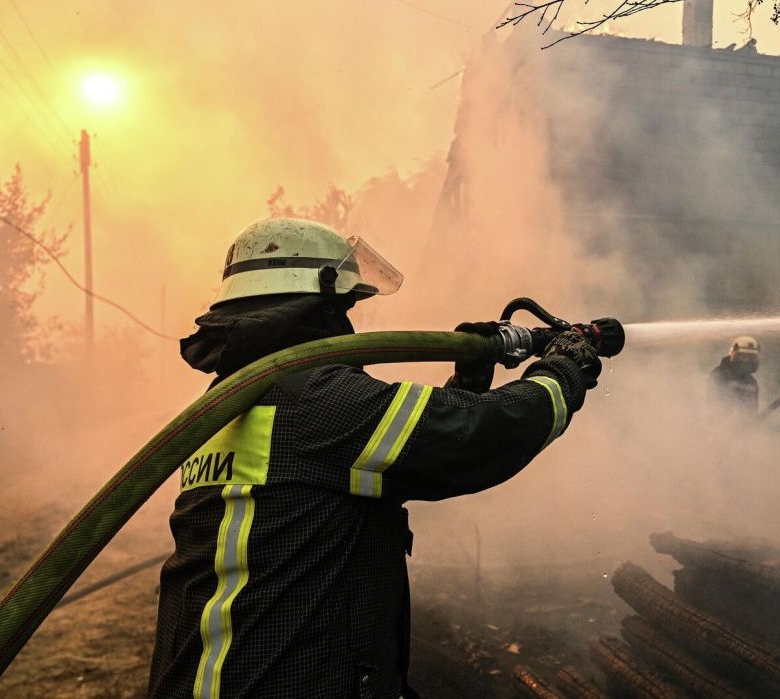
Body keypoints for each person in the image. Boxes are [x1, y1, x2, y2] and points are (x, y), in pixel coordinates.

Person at [148, 218, 602, 699]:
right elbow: (475, 439)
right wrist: (565, 370)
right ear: (318, 302)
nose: (349, 323)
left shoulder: (229, 403)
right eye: (345, 305)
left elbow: (385, 463)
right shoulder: (316, 399)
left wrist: (466, 384)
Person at [707, 336, 761, 418]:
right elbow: (714, 404)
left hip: (745, 428)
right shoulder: (719, 375)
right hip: (722, 426)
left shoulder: (751, 381)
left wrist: (752, 422)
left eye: (751, 357)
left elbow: (752, 409)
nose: (747, 361)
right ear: (734, 355)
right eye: (744, 356)